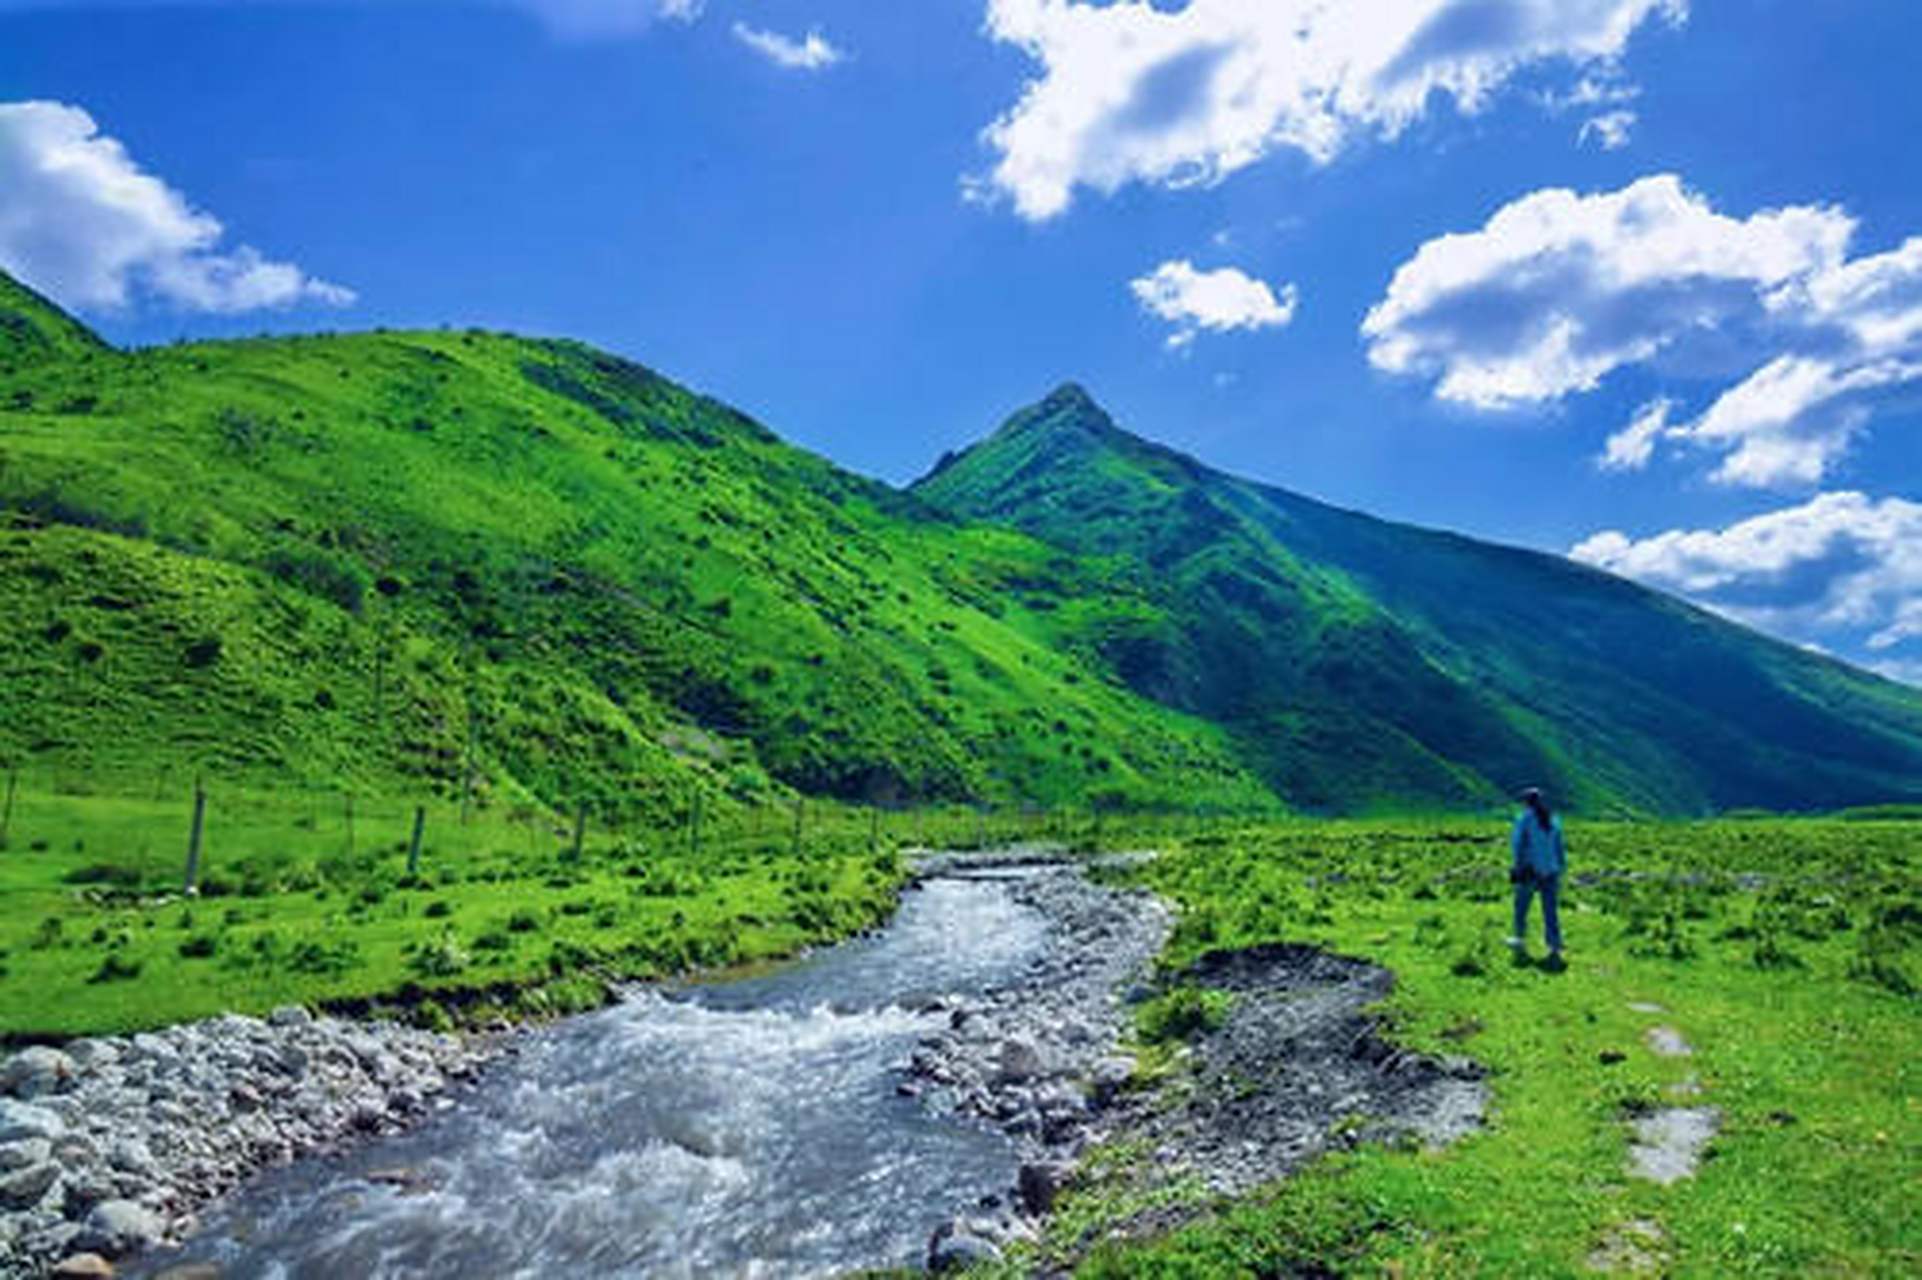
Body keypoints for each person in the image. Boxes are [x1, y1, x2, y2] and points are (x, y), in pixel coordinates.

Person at [1509, 787, 1565, 960]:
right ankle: (1554, 946)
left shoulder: (1524, 819)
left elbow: (1518, 845)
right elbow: (1559, 847)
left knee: (1521, 906)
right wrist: (1560, 868)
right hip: (1552, 870)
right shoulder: (1553, 819)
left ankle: (1519, 939)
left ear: (1526, 802)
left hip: (1530, 869)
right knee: (1550, 910)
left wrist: (1517, 867)